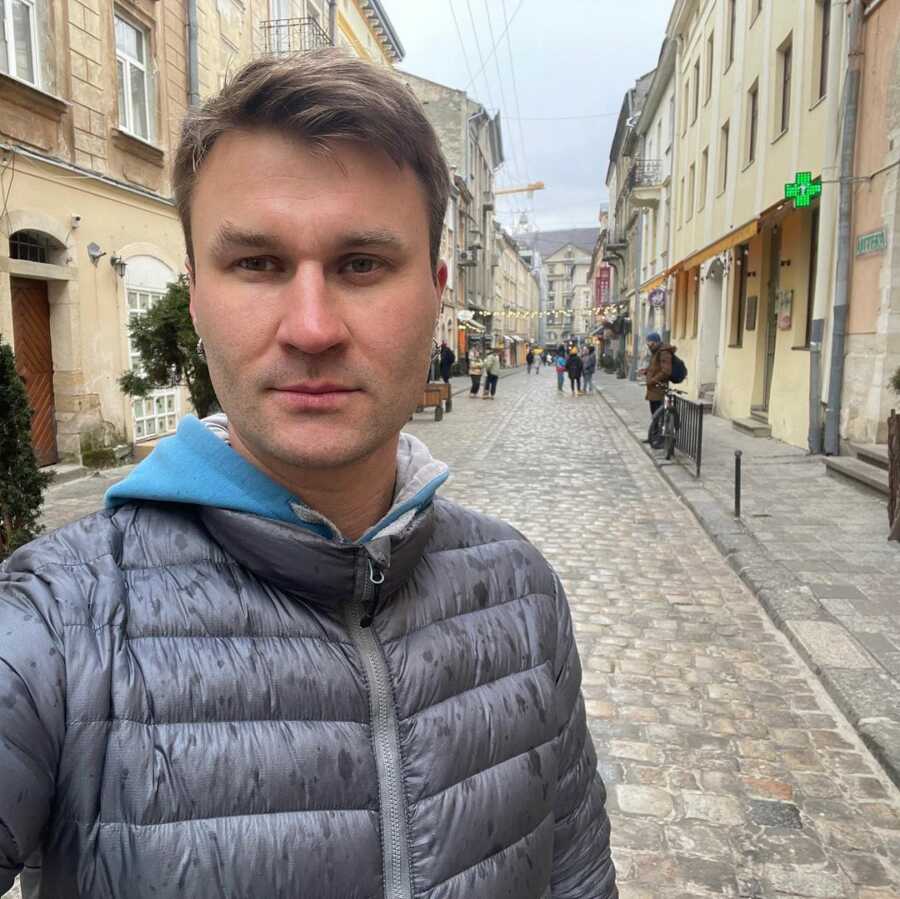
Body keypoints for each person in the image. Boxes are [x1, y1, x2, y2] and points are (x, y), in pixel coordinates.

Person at [0, 50, 616, 899]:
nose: (313, 326)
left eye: (362, 263)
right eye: (257, 264)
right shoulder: (57, 622)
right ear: (196, 293)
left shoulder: (522, 598)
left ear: (436, 290)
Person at [644, 330, 675, 418]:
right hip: (653, 389)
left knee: (657, 416)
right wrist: (646, 371)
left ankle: (659, 431)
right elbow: (656, 367)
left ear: (654, 341)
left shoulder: (663, 352)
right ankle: (656, 430)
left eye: (648, 341)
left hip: (659, 389)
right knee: (654, 415)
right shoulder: (655, 351)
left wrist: (653, 380)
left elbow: (666, 371)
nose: (647, 344)